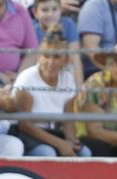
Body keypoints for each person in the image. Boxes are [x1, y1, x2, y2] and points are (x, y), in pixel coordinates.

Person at [12, 27, 79, 156]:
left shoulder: (68, 79)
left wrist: (71, 142)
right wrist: (60, 143)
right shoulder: (27, 78)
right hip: (24, 135)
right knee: (47, 153)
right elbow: (24, 125)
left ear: (65, 60)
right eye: (46, 56)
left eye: (57, 57)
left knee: (84, 153)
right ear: (39, 57)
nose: (50, 62)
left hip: (51, 133)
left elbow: (68, 119)